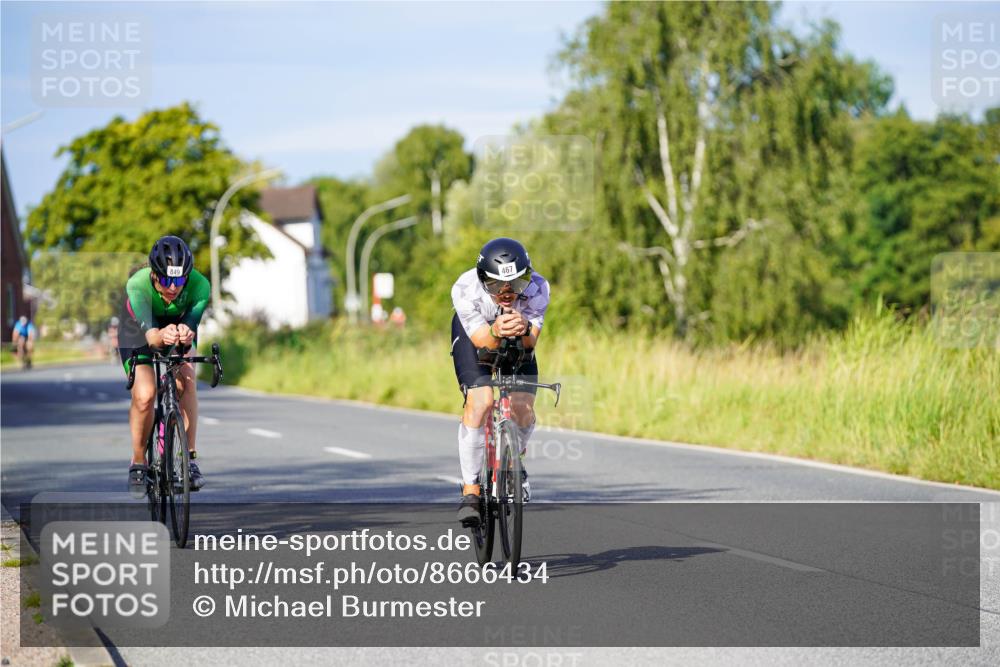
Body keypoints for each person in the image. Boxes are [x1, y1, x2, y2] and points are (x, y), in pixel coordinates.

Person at [450, 238, 550, 526]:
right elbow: (483, 342)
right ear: (483, 281)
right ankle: (471, 488)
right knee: (480, 401)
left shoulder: (539, 288)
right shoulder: (465, 288)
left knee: (522, 408)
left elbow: (531, 342)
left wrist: (523, 328)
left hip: (517, 335)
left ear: (526, 278)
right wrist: (496, 328)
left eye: (516, 285)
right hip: (476, 334)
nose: (507, 294)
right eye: (496, 287)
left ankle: (514, 461)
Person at [119, 236, 211, 498]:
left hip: (176, 327)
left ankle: (189, 459)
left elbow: (191, 324)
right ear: (154, 274)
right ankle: (138, 461)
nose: (173, 287)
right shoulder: (137, 285)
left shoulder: (200, 285)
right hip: (139, 330)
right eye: (166, 280)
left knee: (188, 380)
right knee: (145, 394)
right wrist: (161, 335)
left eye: (180, 280)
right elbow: (152, 339)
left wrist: (186, 332)